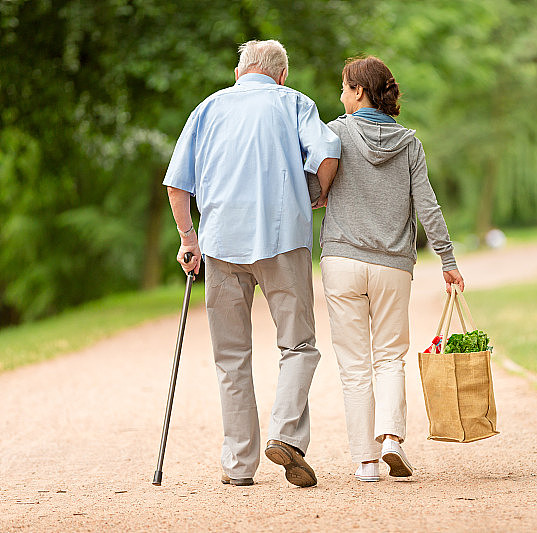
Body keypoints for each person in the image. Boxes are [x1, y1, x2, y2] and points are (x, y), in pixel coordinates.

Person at [163, 40, 340, 488]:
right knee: (298, 345)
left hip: (221, 244)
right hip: (283, 240)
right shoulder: (295, 103)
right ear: (281, 75)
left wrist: (189, 238)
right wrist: (315, 195)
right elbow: (328, 153)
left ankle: (239, 466)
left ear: (240, 71)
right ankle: (285, 434)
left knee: (230, 357)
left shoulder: (207, 108)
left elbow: (177, 184)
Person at [317, 56, 465, 482]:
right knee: (389, 359)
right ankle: (392, 440)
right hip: (392, 268)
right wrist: (448, 261)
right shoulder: (410, 144)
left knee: (354, 364)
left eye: (345, 88)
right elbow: (428, 207)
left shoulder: (336, 133)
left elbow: (314, 187)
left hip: (342, 261)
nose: (341, 96)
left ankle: (365, 462)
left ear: (360, 92)